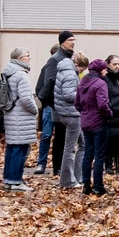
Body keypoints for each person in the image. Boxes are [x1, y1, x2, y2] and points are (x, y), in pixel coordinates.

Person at [0, 49, 40, 189]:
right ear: (20, 58)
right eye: (27, 56)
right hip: (21, 117)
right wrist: (35, 110)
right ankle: (16, 181)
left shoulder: (8, 72)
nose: (29, 58)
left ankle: (9, 179)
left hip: (11, 115)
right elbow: (26, 98)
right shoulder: (21, 75)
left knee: (12, 148)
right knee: (21, 149)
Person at [36, 34, 74, 183]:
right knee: (59, 137)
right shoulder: (54, 60)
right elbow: (47, 86)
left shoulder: (69, 59)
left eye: (74, 40)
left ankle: (65, 168)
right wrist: (56, 105)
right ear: (62, 42)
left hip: (68, 106)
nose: (73, 43)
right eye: (70, 40)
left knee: (68, 139)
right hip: (59, 107)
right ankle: (58, 167)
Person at [73, 59, 112, 197]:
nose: (106, 71)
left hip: (85, 122)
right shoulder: (101, 84)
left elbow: (77, 104)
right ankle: (98, 186)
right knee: (99, 155)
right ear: (100, 70)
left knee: (87, 155)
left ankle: (86, 185)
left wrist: (85, 113)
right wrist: (109, 114)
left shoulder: (82, 82)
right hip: (99, 122)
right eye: (105, 69)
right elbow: (103, 105)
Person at [48, 38, 84, 186]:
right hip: (71, 114)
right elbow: (69, 95)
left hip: (68, 113)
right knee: (70, 148)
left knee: (82, 145)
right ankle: (68, 180)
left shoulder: (63, 70)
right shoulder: (70, 74)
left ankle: (77, 177)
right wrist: (84, 96)